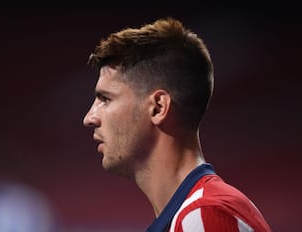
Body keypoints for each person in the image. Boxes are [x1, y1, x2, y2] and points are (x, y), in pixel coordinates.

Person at [82, 17, 271, 232]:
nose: (89, 117)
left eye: (105, 99)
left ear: (158, 108)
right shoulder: (192, 216)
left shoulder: (205, 215)